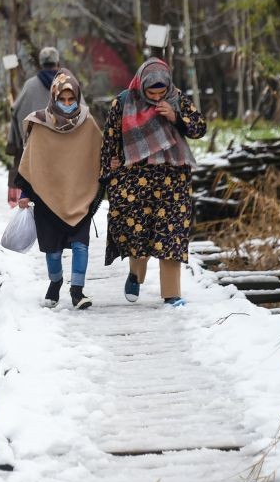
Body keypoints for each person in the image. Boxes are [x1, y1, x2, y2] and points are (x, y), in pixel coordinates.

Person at [99, 58, 206, 307]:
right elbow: (110, 139)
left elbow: (199, 128)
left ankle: (172, 294)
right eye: (151, 92)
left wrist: (176, 118)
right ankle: (135, 274)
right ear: (141, 86)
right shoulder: (124, 102)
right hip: (135, 180)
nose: (157, 97)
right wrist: (110, 164)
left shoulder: (177, 100)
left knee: (172, 235)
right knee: (139, 234)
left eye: (161, 92)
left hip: (173, 179)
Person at [14, 69, 104, 309]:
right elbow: (30, 161)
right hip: (48, 197)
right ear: (54, 97)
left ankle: (77, 291)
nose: (66, 104)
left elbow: (100, 156)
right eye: (62, 99)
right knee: (52, 252)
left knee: (80, 245)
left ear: (77, 97)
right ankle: (55, 282)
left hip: (79, 194)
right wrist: (24, 194)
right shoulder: (40, 123)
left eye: (70, 99)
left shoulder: (88, 123)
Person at [7, 46, 61, 207]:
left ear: (41, 63)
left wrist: (15, 143)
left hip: (34, 152)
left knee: (38, 199)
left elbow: (15, 111)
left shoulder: (30, 86)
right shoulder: (67, 85)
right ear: (57, 62)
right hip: (63, 151)